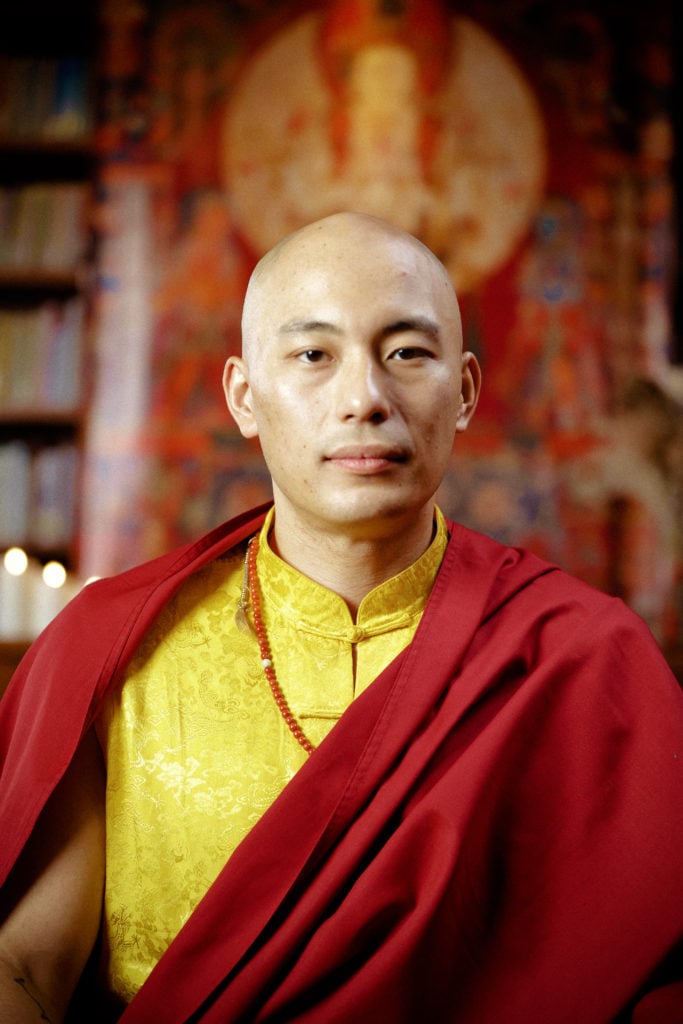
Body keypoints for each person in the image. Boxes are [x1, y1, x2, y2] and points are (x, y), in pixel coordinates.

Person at [0, 212, 681, 1024]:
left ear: (464, 392)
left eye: (407, 353)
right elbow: (26, 967)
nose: (364, 399)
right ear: (243, 397)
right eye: (313, 355)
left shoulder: (579, 656)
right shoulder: (111, 646)